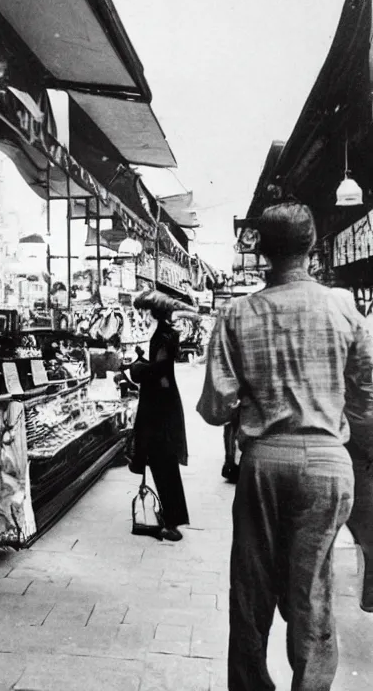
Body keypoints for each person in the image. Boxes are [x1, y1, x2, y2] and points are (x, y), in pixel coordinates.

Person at [197, 201, 373, 691]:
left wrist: (260, 391)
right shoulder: (343, 307)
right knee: (312, 589)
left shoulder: (237, 313)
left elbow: (215, 408)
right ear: (312, 246)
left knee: (251, 591)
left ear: (261, 250)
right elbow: (367, 394)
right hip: (329, 464)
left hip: (265, 463)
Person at [128, 291, 189, 542]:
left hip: (160, 409)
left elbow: (160, 370)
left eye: (143, 310)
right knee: (161, 462)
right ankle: (170, 515)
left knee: (163, 463)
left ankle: (173, 523)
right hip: (160, 405)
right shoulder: (165, 332)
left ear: (151, 311)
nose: (141, 314)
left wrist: (137, 369)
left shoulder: (164, 335)